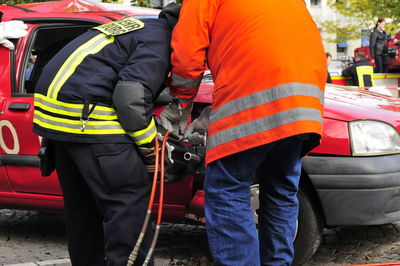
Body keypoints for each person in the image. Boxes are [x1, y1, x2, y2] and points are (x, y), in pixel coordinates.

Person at [160, 0, 327, 265]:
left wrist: (181, 102)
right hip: (305, 103)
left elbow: (188, 49)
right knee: (281, 189)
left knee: (227, 189)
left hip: (256, 93)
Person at [32, 4, 180, 266]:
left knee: (83, 210)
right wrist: (149, 146)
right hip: (90, 121)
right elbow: (131, 97)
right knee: (129, 202)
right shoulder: (162, 40)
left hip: (59, 126)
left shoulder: (141, 26)